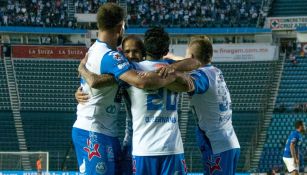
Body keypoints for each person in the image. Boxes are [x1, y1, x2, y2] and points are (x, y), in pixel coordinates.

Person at [72, 3, 180, 175]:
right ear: (120, 27)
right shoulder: (111, 56)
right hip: (94, 130)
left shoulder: (95, 51)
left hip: (107, 131)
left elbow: (94, 81)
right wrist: (174, 74)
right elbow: (141, 81)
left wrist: (85, 74)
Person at [160, 38, 241, 174]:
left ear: (191, 58)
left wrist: (167, 75)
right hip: (229, 142)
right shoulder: (215, 71)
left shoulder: (201, 76)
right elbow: (193, 63)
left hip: (217, 146)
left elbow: (189, 83)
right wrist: (172, 57)